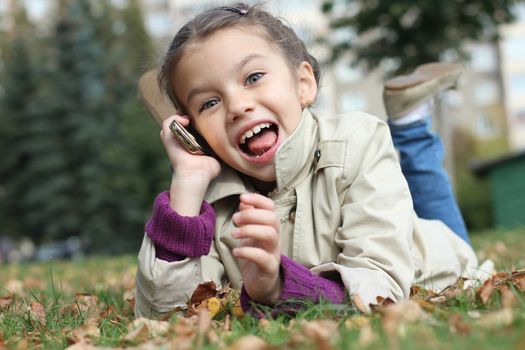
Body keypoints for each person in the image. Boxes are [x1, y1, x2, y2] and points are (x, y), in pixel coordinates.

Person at [134, 3, 489, 319]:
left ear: (304, 83)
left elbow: (380, 293)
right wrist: (187, 185)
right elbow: (166, 316)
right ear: (194, 132)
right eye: (208, 103)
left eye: (253, 78)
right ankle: (409, 118)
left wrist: (277, 287)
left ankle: (410, 126)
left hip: (435, 261)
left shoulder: (357, 141)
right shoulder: (206, 201)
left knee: (438, 222)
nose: (237, 106)